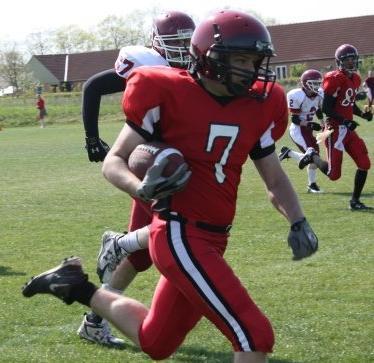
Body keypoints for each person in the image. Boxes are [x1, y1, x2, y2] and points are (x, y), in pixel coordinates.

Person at [22, 10, 318, 363]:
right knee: (253, 334)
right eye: (241, 59)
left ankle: (74, 285)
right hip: (179, 232)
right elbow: (114, 161)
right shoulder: (166, 91)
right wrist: (140, 189)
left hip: (215, 236)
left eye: (255, 60)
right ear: (209, 57)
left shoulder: (259, 104)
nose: (251, 70)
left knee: (156, 342)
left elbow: (274, 176)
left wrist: (297, 219)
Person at [79, 11, 196, 347]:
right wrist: (91, 137)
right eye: (176, 42)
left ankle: (93, 320)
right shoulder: (146, 62)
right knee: (182, 228)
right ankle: (119, 244)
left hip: (179, 158)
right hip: (154, 159)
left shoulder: (200, 64)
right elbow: (94, 86)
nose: (183, 48)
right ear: (157, 42)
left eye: (187, 41)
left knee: (142, 255)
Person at [294, 44, 373, 210]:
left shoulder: (356, 78)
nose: (351, 62)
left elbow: (349, 104)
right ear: (339, 62)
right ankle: (312, 156)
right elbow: (326, 108)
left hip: (347, 129)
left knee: (364, 163)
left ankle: (355, 201)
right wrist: (344, 121)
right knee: (334, 175)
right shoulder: (334, 78)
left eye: (353, 59)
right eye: (347, 59)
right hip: (334, 129)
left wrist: (363, 115)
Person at [279, 69, 324, 193]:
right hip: (298, 129)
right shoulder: (297, 95)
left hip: (308, 130)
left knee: (314, 155)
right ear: (305, 83)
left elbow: (318, 110)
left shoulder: (319, 94)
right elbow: (294, 118)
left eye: (318, 83)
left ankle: (288, 153)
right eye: (313, 83)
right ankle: (312, 185)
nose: (317, 86)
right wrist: (310, 124)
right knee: (313, 156)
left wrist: (322, 123)